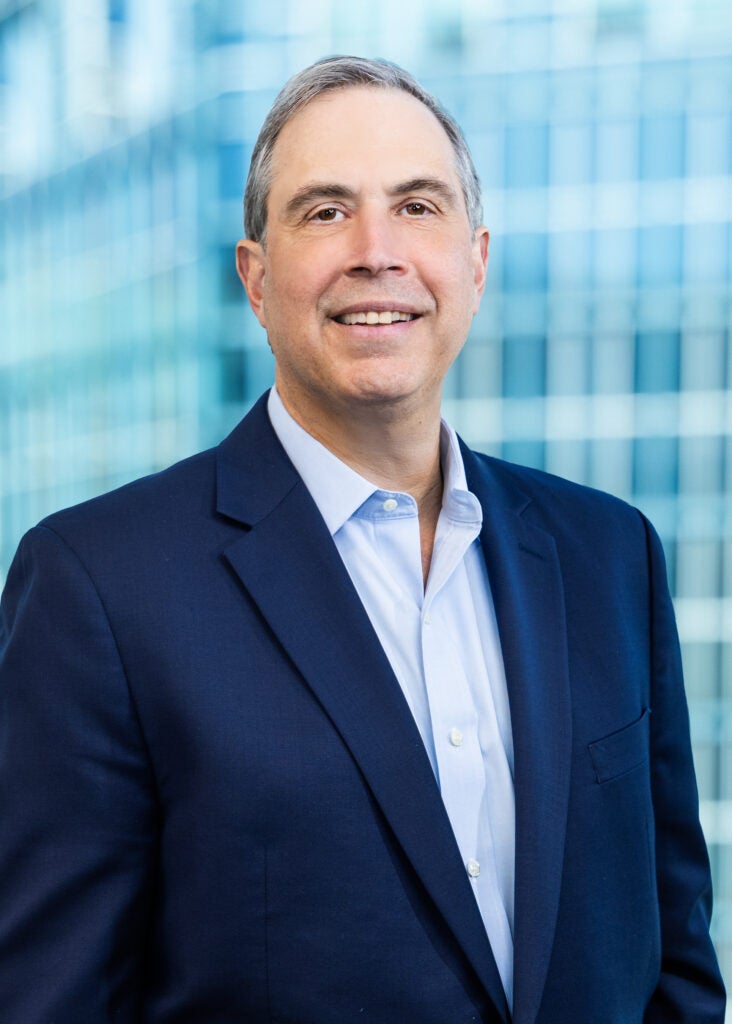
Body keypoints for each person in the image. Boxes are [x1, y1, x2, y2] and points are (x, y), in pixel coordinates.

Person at [0, 55, 725, 1024]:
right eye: (326, 210)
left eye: (418, 207)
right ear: (256, 280)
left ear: (476, 261)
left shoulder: (610, 557)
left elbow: (674, 960)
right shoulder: (96, 589)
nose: (377, 250)